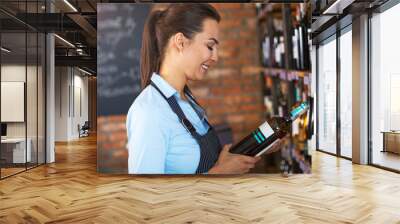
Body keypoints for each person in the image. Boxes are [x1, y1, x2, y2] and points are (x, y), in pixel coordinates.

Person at [126, 3, 260, 174]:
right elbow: (145, 194)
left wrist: (256, 146)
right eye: (210, 46)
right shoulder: (148, 112)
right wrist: (219, 174)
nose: (215, 57)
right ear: (180, 42)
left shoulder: (184, 98)